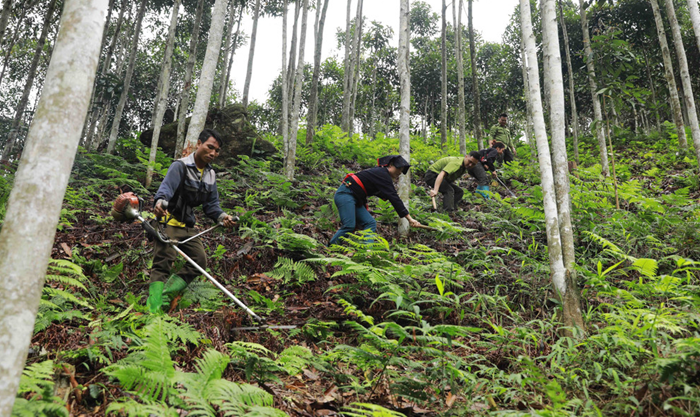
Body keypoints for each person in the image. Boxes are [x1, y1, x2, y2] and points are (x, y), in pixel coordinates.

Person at [147, 128, 237, 313]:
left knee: (199, 260)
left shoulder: (210, 174)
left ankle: (166, 294)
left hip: (188, 226)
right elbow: (165, 190)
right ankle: (153, 309)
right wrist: (159, 204)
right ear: (198, 144)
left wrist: (223, 217)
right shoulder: (179, 166)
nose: (213, 153)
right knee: (163, 263)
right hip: (169, 222)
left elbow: (211, 205)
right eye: (210, 147)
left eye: (217, 151)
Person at [329, 155, 423, 245]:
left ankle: (367, 252)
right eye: (399, 168)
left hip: (355, 198)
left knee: (370, 223)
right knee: (349, 225)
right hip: (346, 194)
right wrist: (410, 219)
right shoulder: (382, 174)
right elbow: (394, 198)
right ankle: (331, 249)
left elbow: (386, 194)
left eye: (402, 170)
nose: (400, 172)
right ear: (390, 165)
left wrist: (390, 195)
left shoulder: (381, 175)